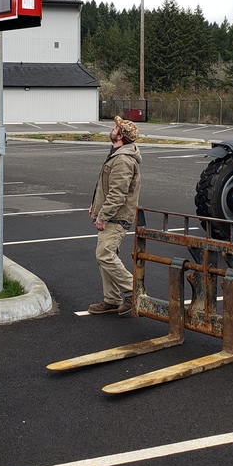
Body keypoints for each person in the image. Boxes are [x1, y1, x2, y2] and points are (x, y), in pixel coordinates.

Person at [88, 115, 142, 316]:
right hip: (110, 214)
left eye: (115, 128)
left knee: (104, 254)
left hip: (117, 217)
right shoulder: (118, 153)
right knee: (105, 256)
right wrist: (95, 206)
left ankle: (132, 290)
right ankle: (111, 299)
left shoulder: (123, 160)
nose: (112, 129)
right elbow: (107, 187)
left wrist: (103, 215)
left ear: (120, 136)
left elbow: (118, 193)